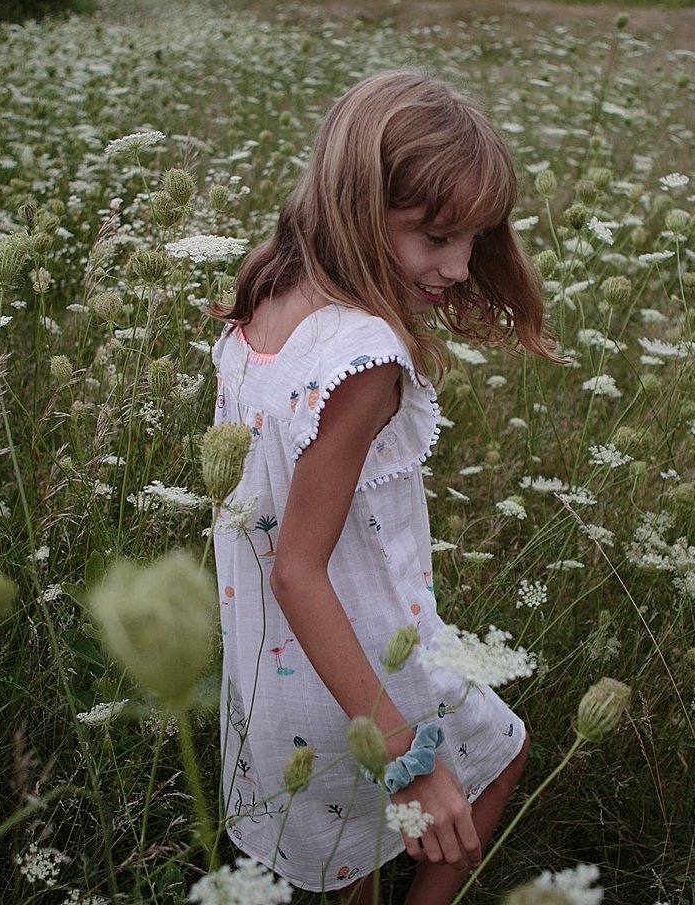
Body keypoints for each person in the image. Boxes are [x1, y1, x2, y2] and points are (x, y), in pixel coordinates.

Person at [208, 68, 559, 903]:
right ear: (358, 207)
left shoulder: (266, 296)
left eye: (475, 239)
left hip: (272, 674)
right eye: (435, 238)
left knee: (348, 866)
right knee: (493, 761)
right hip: (366, 670)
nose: (460, 267)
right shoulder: (362, 353)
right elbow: (300, 566)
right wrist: (403, 759)